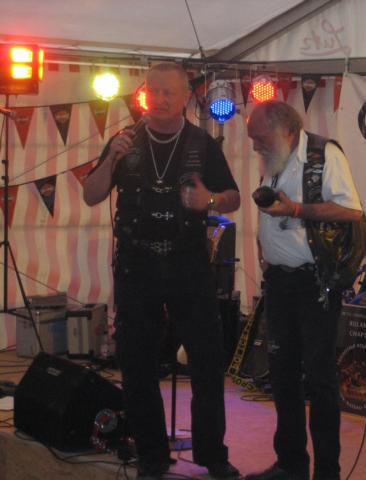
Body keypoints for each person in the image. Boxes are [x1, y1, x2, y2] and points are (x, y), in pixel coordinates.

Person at [83, 62, 241, 480]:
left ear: (186, 96)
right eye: (154, 91)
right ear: (144, 93)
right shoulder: (124, 140)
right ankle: (151, 456)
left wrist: (209, 201)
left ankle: (213, 455)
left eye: (169, 92)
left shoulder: (202, 143)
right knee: (136, 364)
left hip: (189, 265)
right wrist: (110, 160)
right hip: (137, 266)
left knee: (206, 362)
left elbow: (234, 196)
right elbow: (90, 195)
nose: (160, 99)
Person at [245, 100, 364, 480]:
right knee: (281, 374)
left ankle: (327, 472)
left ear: (285, 130)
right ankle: (290, 464)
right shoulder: (274, 158)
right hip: (279, 282)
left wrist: (296, 210)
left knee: (319, 378)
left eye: (259, 138)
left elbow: (351, 211)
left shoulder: (324, 155)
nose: (254, 146)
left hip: (314, 283)